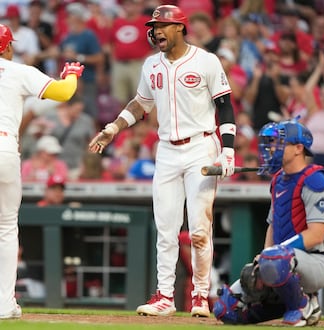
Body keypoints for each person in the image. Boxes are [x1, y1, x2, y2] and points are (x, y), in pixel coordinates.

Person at [89, 4, 236, 318]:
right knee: (166, 229)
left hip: (201, 146)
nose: (156, 32)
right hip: (167, 149)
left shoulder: (206, 60)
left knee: (199, 228)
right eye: (154, 27)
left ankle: (200, 295)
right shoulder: (151, 64)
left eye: (163, 26)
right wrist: (113, 128)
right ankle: (165, 296)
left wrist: (229, 149)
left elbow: (224, 104)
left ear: (180, 28)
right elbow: (140, 102)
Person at [0, 23, 84, 319]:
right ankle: (4, 303)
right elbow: (63, 93)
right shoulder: (18, 70)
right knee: (7, 227)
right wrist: (71, 73)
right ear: (7, 47)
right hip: (5, 147)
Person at [213, 118, 324, 326]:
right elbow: (273, 225)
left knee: (274, 258)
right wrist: (265, 256)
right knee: (225, 310)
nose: (272, 148)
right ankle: (294, 302)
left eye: (278, 143)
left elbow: (316, 235)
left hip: (317, 261)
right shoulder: (277, 180)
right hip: (281, 260)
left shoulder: (315, 180)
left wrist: (272, 255)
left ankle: (302, 306)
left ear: (298, 148)